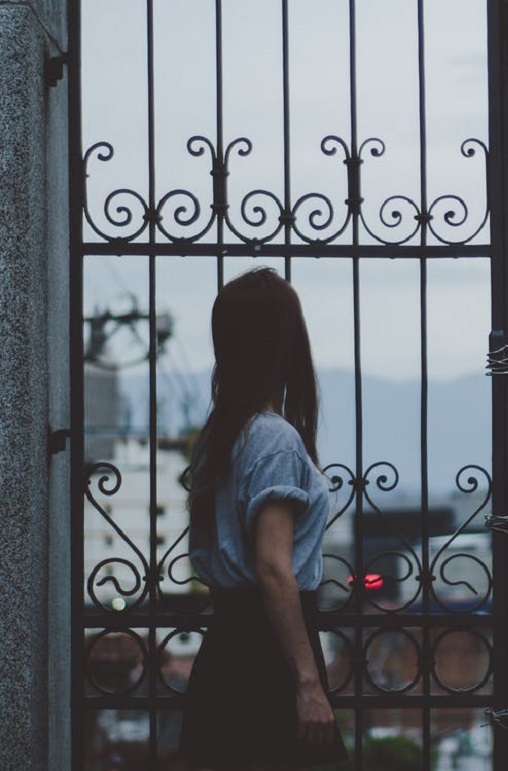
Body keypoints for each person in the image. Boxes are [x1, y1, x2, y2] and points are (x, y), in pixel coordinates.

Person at [179, 268, 346, 770]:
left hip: (227, 653)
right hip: (267, 661)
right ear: (286, 344)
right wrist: (308, 682)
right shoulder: (274, 438)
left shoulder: (224, 435)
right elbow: (274, 567)